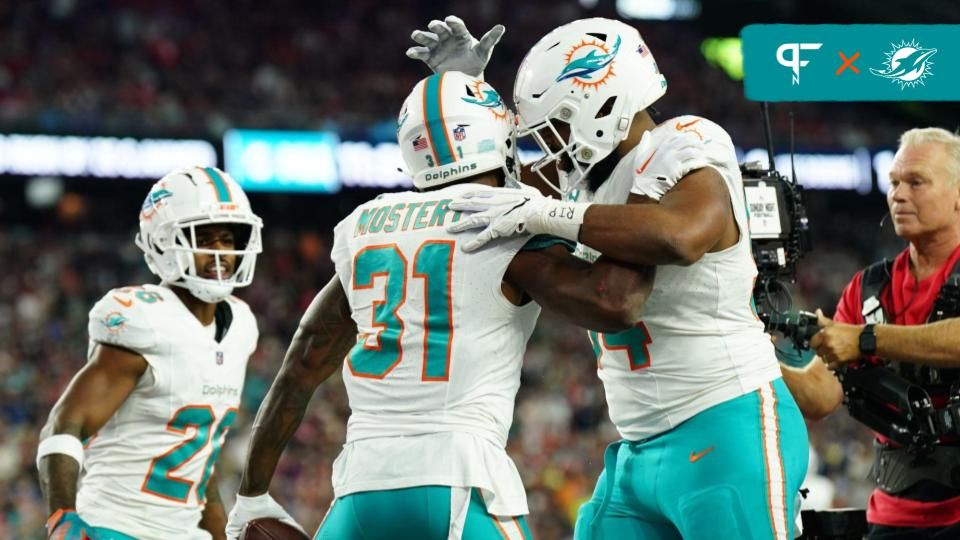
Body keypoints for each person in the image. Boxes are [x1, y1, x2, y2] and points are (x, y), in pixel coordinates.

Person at [407, 16, 809, 539]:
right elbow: (481, 189)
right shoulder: (584, 181)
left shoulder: (685, 140)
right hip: (638, 451)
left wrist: (544, 214)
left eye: (555, 128)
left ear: (600, 104)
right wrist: (465, 94)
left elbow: (679, 236)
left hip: (725, 426)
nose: (548, 150)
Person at [224, 71, 656, 540]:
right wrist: (644, 223)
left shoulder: (366, 224)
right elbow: (615, 305)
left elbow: (302, 362)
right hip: (458, 480)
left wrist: (251, 495)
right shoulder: (508, 218)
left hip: (362, 489)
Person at [37, 167, 264, 540]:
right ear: (163, 242)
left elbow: (197, 466)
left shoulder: (241, 325)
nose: (220, 252)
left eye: (228, 239)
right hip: (116, 527)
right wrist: (62, 515)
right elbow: (64, 424)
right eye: (203, 238)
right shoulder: (144, 318)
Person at [791, 127, 960, 539]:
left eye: (916, 182)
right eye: (894, 182)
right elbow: (821, 396)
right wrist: (754, 349)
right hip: (894, 516)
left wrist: (866, 338)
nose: (899, 195)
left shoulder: (866, 318)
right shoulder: (868, 289)